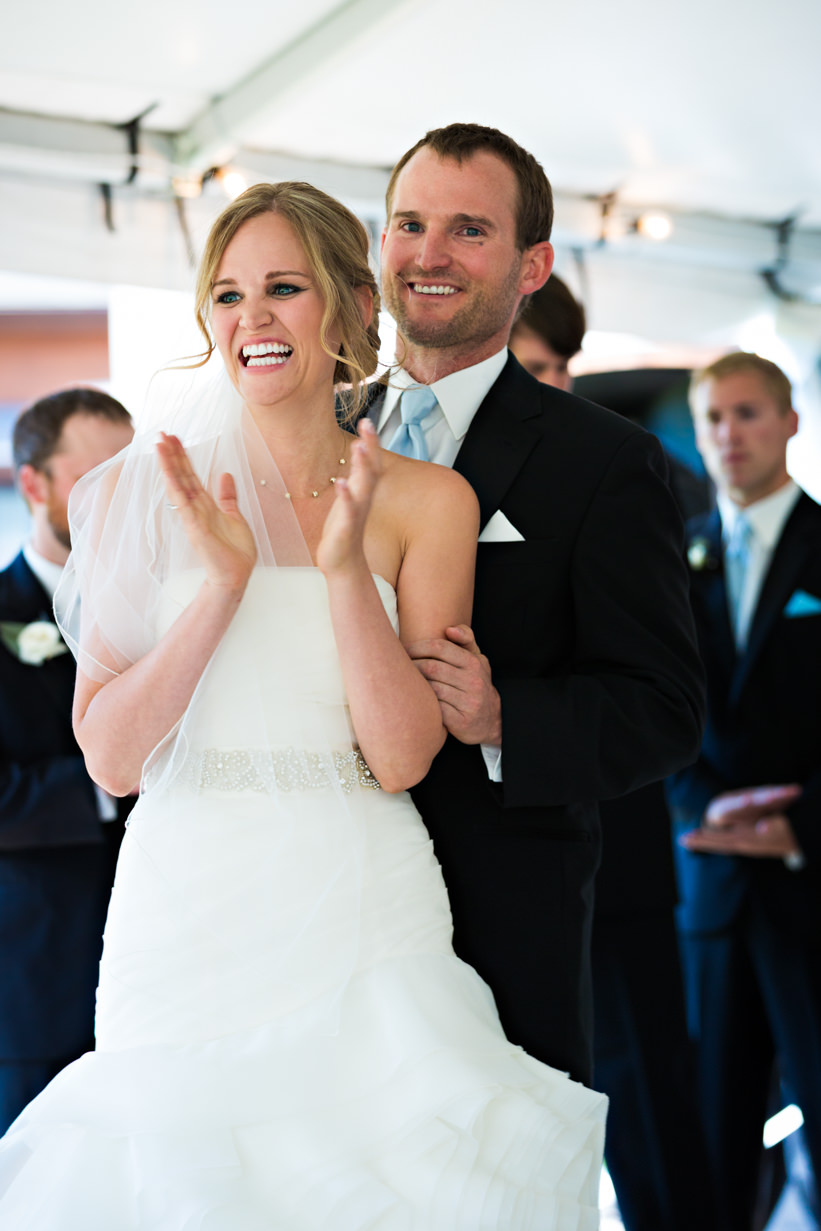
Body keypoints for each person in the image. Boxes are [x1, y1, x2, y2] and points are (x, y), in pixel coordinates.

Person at [0, 181, 606, 1228]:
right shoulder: (139, 492)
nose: (253, 320)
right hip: (185, 907)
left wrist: (339, 577)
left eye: (283, 287)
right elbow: (109, 758)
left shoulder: (425, 500)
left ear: (347, 305)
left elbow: (403, 756)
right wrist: (219, 594)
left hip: (358, 896)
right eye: (228, 295)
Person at [373, 122, 705, 1087]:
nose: (429, 255)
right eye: (408, 223)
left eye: (468, 231)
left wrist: (503, 717)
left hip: (500, 924)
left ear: (531, 267)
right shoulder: (314, 428)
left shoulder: (604, 461)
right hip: (320, 895)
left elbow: (663, 709)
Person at [509, 279, 716, 1230]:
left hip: (616, 852)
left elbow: (662, 694)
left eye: (554, 368)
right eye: (529, 366)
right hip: (484, 870)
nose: (543, 385)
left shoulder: (622, 471)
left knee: (648, 1095)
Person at [668, 351, 821, 1231]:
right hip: (711, 896)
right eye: (714, 417)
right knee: (716, 1143)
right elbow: (656, 705)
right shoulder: (674, 557)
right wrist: (700, 808)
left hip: (811, 888)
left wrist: (798, 822)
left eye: (749, 413)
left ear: (791, 421)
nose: (729, 434)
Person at [0, 388, 134, 1135]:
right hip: (37, 979)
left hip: (162, 967)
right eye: (98, 480)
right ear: (34, 485)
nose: (121, 502)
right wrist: (113, 782)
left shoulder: (165, 617)